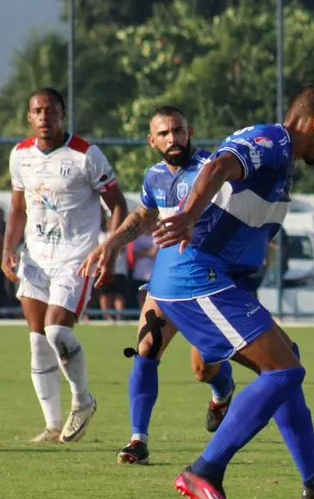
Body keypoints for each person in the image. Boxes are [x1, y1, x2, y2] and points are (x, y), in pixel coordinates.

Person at [147, 82, 314, 499]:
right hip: (196, 277)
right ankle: (204, 471)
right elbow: (221, 166)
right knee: (284, 371)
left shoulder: (283, 157)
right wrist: (190, 214)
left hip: (218, 280)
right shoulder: (271, 141)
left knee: (287, 362)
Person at [80, 106, 238, 465]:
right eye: (164, 134)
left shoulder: (210, 170)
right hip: (167, 280)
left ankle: (222, 390)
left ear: (190, 131)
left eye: (178, 131)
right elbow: (144, 215)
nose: (173, 138)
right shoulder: (154, 176)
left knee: (204, 369)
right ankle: (138, 441)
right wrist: (111, 244)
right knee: (146, 347)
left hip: (205, 281)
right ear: (152, 141)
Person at [1, 87, 128, 443]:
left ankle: (83, 400)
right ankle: (53, 425)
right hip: (36, 259)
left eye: (51, 110)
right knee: (38, 340)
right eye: (37, 111)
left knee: (58, 332)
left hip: (76, 257)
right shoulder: (20, 155)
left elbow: (118, 204)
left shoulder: (86, 155)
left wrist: (110, 251)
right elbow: (18, 209)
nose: (44, 117)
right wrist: (8, 249)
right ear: (29, 117)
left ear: (62, 114)